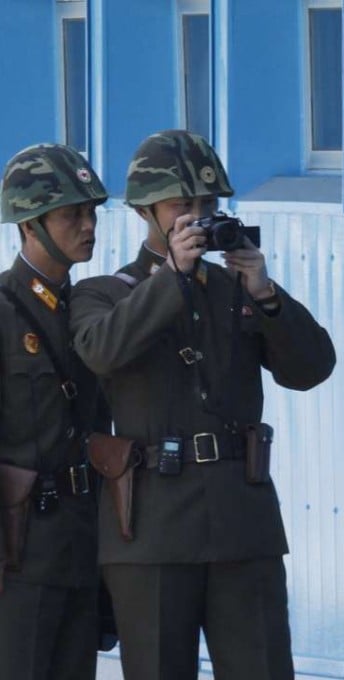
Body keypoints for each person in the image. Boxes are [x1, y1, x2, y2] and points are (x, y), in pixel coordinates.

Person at [70, 129, 336, 680]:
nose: (197, 217)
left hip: (243, 520)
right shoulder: (107, 292)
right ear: (147, 211)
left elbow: (311, 368)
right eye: (181, 205)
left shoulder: (236, 287)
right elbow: (101, 351)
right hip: (151, 529)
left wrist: (265, 294)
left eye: (208, 205)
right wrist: (172, 276)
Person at [0, 143, 108, 679]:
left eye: (91, 213)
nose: (88, 226)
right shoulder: (3, 312)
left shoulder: (92, 311)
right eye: (72, 215)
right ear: (29, 225)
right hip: (19, 557)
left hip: (82, 543)